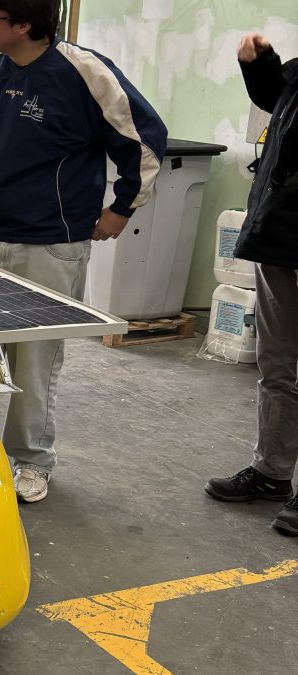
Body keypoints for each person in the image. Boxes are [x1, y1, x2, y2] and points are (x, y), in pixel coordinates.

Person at [0, 0, 167, 502]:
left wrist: (122, 208)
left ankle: (31, 461)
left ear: (24, 24)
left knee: (35, 360)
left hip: (51, 245)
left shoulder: (83, 72)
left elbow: (145, 140)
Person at [205, 34, 298, 535]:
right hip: (280, 237)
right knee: (278, 366)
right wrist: (259, 63)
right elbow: (274, 97)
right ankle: (271, 472)